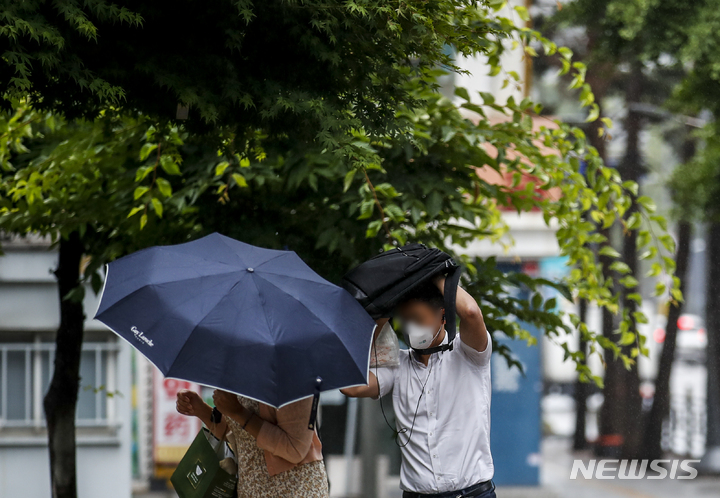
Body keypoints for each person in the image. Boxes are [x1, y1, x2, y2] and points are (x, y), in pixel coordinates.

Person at [342, 274, 495, 498]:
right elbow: (351, 388)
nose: (410, 327)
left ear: (443, 316)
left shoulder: (468, 355)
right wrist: (381, 317)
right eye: (404, 320)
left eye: (417, 318)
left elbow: (471, 312)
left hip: (472, 494)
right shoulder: (397, 365)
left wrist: (430, 273)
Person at [176, 389, 329, 498]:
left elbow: (295, 449)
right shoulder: (237, 374)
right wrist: (199, 409)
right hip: (250, 490)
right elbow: (238, 431)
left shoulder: (290, 374)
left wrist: (239, 412)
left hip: (294, 490)